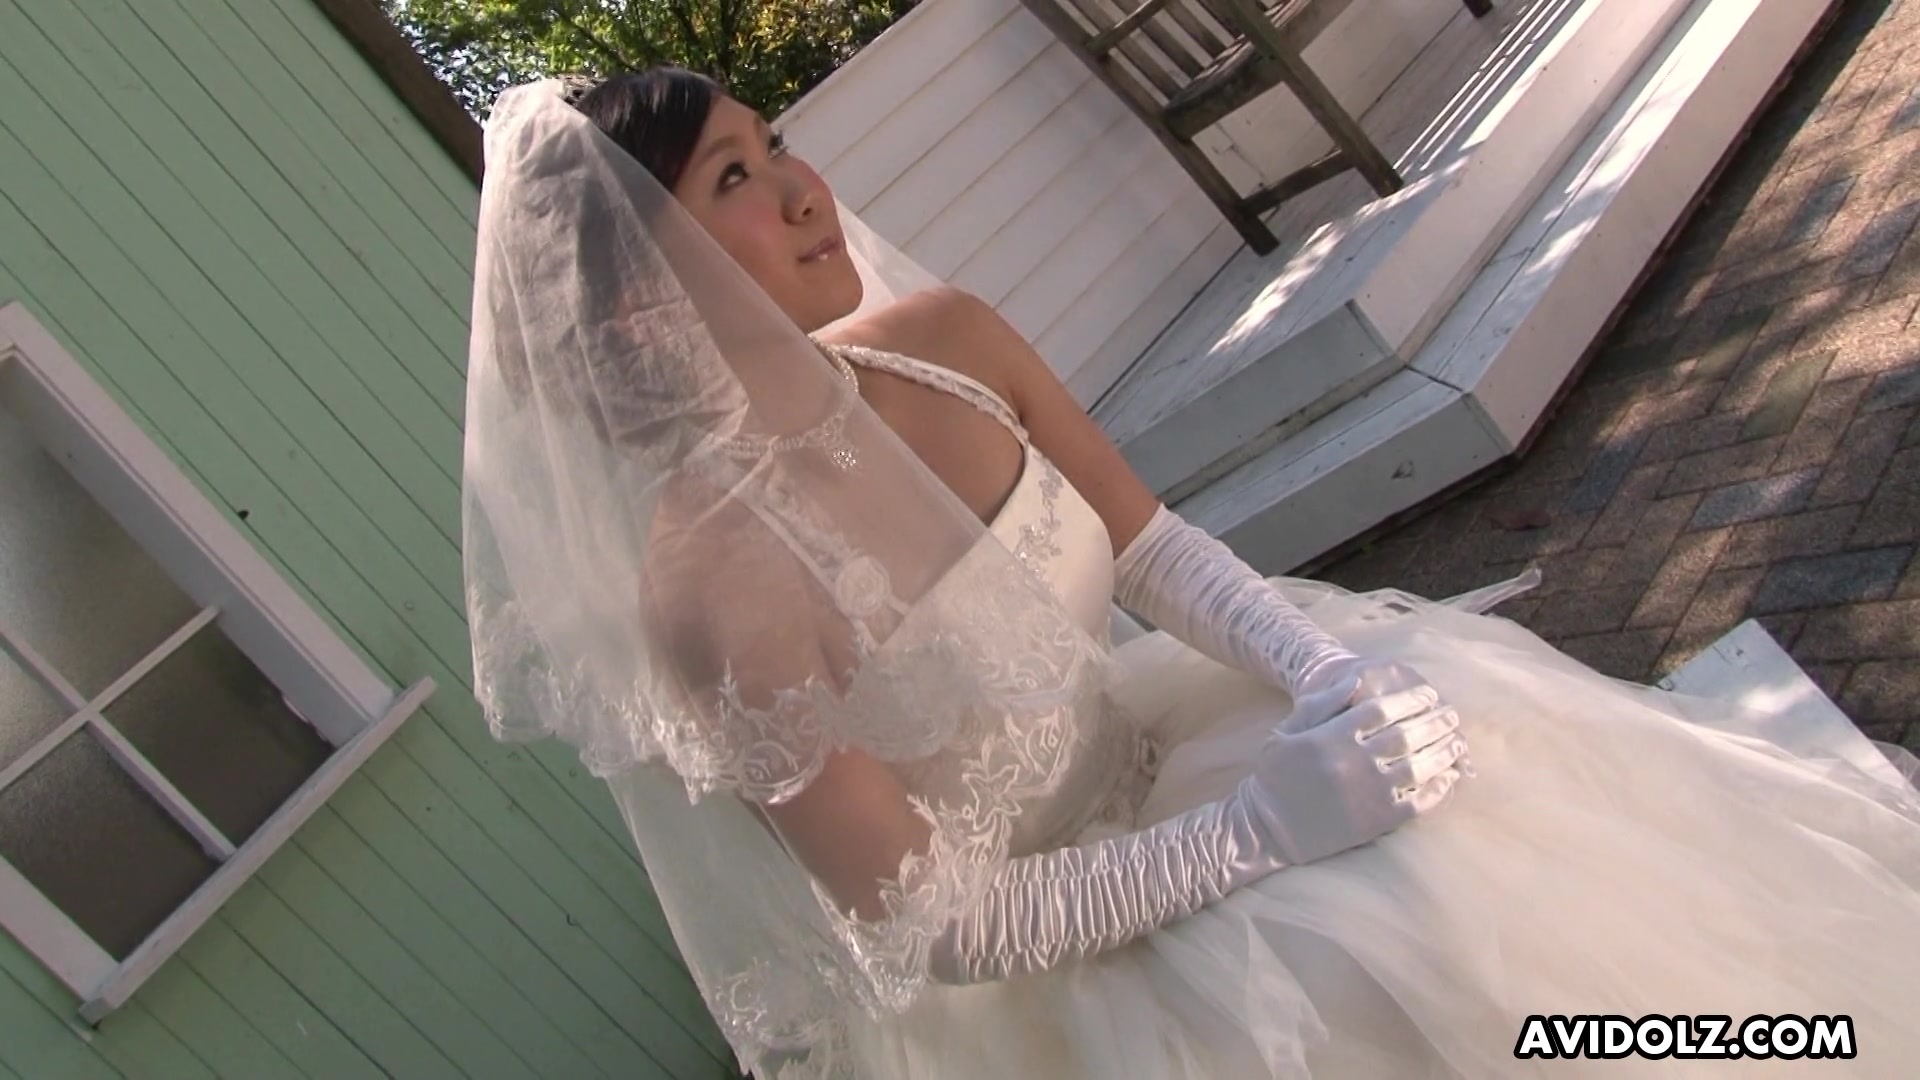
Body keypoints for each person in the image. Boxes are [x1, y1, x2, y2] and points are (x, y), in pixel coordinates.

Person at [461, 71, 1920, 1079]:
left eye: (776, 142)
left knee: (1491, 810)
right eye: (734, 177)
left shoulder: (943, 339)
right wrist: (1259, 834)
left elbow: (1149, 544)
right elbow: (937, 924)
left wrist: (1320, 670)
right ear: (642, 306)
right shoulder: (710, 599)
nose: (800, 189)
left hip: (1172, 747)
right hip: (1064, 963)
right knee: (1388, 945)